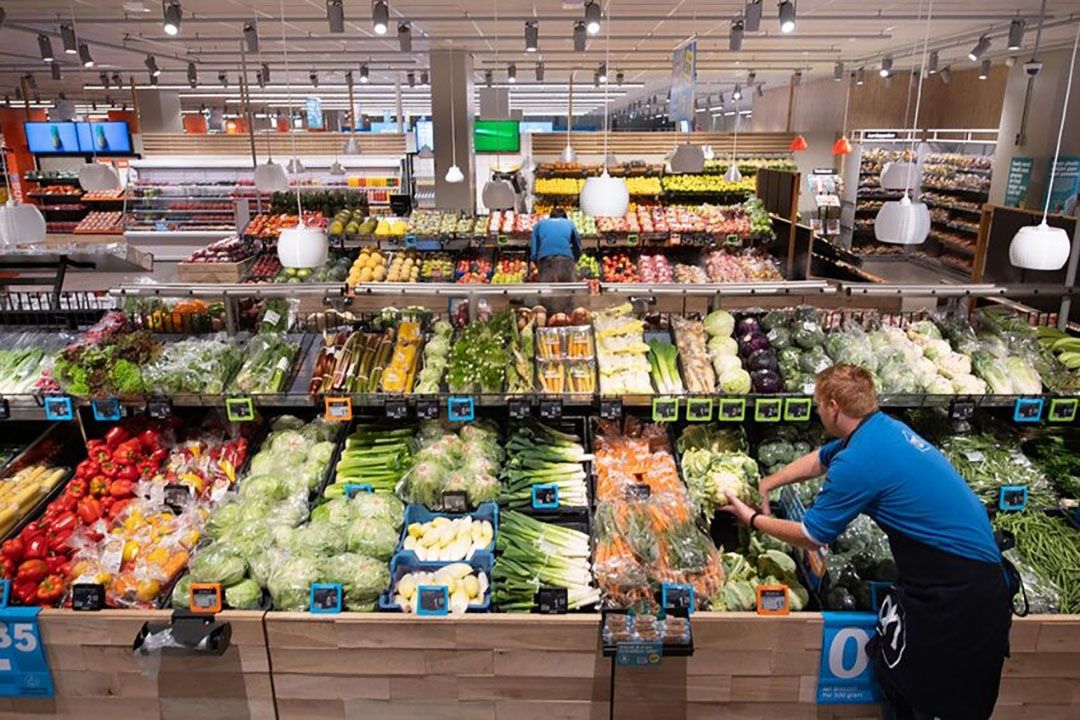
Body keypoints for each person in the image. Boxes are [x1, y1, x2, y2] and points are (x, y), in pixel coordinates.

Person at [722, 364, 1014, 720]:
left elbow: (813, 536)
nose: (817, 412)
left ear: (833, 406)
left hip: (960, 596)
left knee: (936, 700)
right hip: (950, 575)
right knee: (901, 679)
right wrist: (769, 482)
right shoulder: (882, 429)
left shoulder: (860, 460)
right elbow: (821, 459)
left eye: (817, 405)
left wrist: (753, 519)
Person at [530, 207, 581, 283]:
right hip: (565, 260)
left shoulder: (539, 224)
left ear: (550, 216)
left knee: (546, 291)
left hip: (545, 259)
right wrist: (575, 259)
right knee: (568, 291)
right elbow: (578, 245)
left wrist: (537, 263)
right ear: (565, 218)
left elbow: (534, 249)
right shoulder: (569, 223)